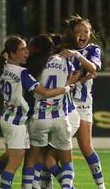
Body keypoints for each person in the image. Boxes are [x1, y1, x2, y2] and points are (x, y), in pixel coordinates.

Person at [0, 36, 75, 189]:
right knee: (14, 163)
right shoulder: (22, 72)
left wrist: (7, 93)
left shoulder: (3, 67)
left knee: (7, 156)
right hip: (17, 122)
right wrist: (66, 88)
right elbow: (43, 92)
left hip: (6, 118)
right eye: (22, 49)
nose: (26, 52)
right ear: (12, 53)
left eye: (26, 48)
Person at [22, 34, 81, 189]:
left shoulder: (31, 65)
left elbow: (39, 91)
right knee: (66, 161)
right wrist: (68, 85)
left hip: (40, 118)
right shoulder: (63, 60)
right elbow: (77, 73)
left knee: (33, 159)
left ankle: (31, 186)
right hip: (62, 117)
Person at [60, 15, 105, 189]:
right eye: (78, 31)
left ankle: (101, 186)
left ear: (90, 33)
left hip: (83, 104)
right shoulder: (64, 50)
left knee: (86, 148)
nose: (82, 34)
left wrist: (77, 56)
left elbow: (93, 69)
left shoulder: (93, 49)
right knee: (60, 148)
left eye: (85, 31)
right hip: (64, 101)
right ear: (72, 34)